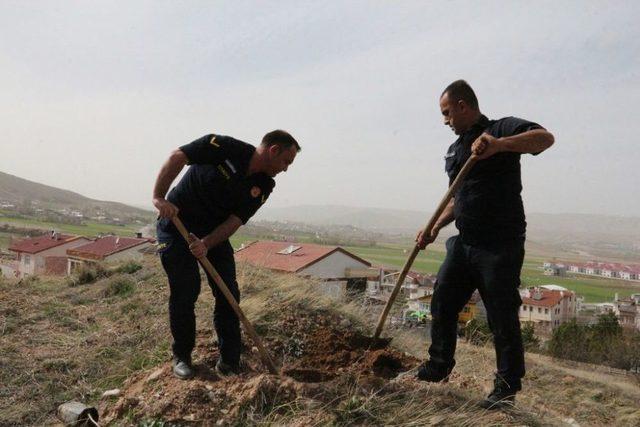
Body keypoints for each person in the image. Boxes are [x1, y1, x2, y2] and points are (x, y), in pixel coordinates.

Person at [415, 80, 554, 409]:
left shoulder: (499, 129)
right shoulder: (456, 150)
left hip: (499, 245)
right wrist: (433, 227)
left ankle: (506, 388)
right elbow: (457, 198)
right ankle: (439, 367)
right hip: (464, 243)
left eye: (447, 113)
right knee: (443, 303)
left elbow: (546, 139)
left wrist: (500, 145)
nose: (445, 120)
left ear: (463, 106)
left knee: (501, 317)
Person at [152, 130, 300, 379]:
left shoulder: (264, 184)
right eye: (286, 161)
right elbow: (178, 156)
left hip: (213, 235)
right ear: (273, 150)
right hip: (177, 223)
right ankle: (182, 357)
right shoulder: (222, 147)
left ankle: (230, 362)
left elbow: (235, 221)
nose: (285, 169)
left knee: (229, 293)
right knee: (186, 291)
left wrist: (207, 244)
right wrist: (159, 196)